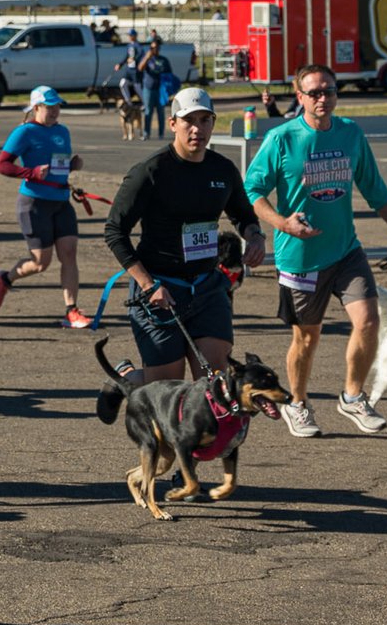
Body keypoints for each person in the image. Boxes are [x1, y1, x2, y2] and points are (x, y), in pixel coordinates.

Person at [243, 64, 387, 438]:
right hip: (300, 256)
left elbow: (374, 188)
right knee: (307, 336)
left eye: (330, 91)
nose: (323, 98)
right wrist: (281, 223)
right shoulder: (282, 138)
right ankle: (298, 404)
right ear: (300, 97)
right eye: (315, 92)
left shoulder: (351, 133)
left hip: (345, 250)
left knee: (368, 321)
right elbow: (252, 190)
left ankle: (353, 397)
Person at [100, 87, 266, 418]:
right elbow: (114, 232)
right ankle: (126, 380)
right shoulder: (150, 172)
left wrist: (255, 235)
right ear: (173, 123)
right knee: (167, 393)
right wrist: (149, 285)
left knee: (215, 387)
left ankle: (187, 470)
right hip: (160, 289)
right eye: (189, 121)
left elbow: (244, 215)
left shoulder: (222, 170)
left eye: (205, 120)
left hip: (207, 287)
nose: (198, 129)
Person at [0, 86, 92, 328]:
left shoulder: (62, 131)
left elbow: (58, 165)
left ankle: (72, 310)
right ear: (36, 108)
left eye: (57, 106)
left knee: (69, 253)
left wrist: (72, 166)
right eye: (49, 107)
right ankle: (6, 279)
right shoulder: (24, 132)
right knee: (40, 263)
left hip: (61, 201)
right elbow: (2, 165)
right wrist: (30, 172)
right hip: (34, 204)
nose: (55, 111)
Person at [136, 40, 174, 141]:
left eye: (156, 47)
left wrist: (168, 89)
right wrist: (147, 57)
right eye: (152, 48)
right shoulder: (147, 59)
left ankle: (161, 133)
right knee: (148, 111)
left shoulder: (163, 60)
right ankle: (146, 133)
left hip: (160, 90)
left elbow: (169, 74)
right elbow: (140, 68)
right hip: (148, 88)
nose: (154, 49)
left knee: (160, 112)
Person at [115, 29, 146, 104]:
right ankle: (129, 103)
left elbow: (141, 53)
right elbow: (127, 56)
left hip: (135, 70)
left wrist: (134, 59)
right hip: (128, 69)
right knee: (123, 83)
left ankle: (145, 103)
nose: (129, 37)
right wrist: (120, 64)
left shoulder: (137, 45)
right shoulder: (129, 45)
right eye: (129, 35)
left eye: (130, 35)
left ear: (134, 36)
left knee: (137, 87)